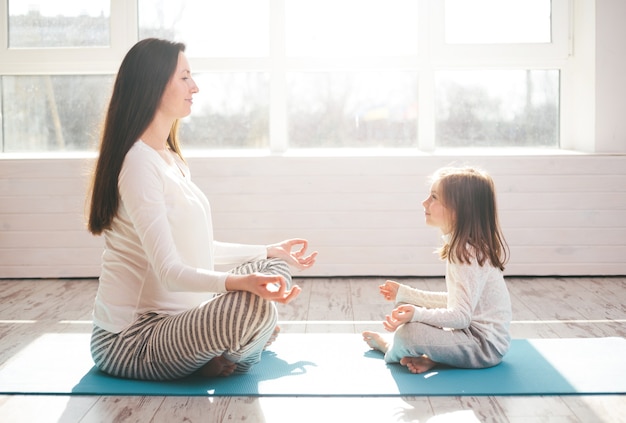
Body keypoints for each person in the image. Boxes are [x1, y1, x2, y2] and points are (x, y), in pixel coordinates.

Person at [86, 38, 317, 381]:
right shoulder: (137, 164)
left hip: (180, 323)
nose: (195, 86)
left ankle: (231, 344)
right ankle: (243, 346)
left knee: (274, 268)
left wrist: (269, 251)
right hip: (132, 340)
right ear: (153, 84)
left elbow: (194, 251)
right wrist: (240, 282)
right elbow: (169, 270)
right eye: (184, 77)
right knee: (252, 309)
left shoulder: (168, 158)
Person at [362, 166, 511, 374]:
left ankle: (391, 348)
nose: (425, 203)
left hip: (484, 348)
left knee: (409, 333)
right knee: (416, 326)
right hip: (468, 336)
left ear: (459, 209)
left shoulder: (468, 255)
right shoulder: (464, 248)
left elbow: (461, 316)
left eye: (433, 197)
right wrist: (406, 295)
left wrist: (416, 314)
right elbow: (456, 303)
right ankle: (435, 358)